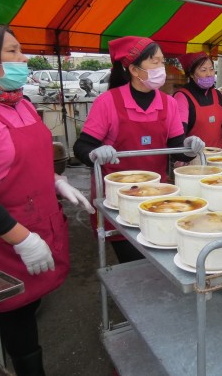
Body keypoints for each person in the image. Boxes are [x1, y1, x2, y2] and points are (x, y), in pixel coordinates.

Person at [0, 23, 94, 375]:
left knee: (25, 317)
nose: (24, 58)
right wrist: (23, 240)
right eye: (12, 51)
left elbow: (30, 160)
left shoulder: (22, 104)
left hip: (35, 221)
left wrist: (56, 180)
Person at [73, 37, 204, 263]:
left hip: (159, 196)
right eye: (155, 62)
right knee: (133, 260)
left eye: (162, 62)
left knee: (159, 255)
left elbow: (176, 149)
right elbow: (82, 146)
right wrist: (95, 153)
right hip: (118, 200)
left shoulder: (168, 103)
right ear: (134, 69)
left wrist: (190, 148)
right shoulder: (108, 102)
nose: (161, 68)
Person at [173, 52, 222, 150]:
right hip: (195, 158)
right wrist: (183, 154)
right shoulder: (182, 97)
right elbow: (179, 134)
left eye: (211, 69)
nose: (209, 74)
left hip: (218, 157)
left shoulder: (218, 95)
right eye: (203, 70)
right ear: (191, 74)